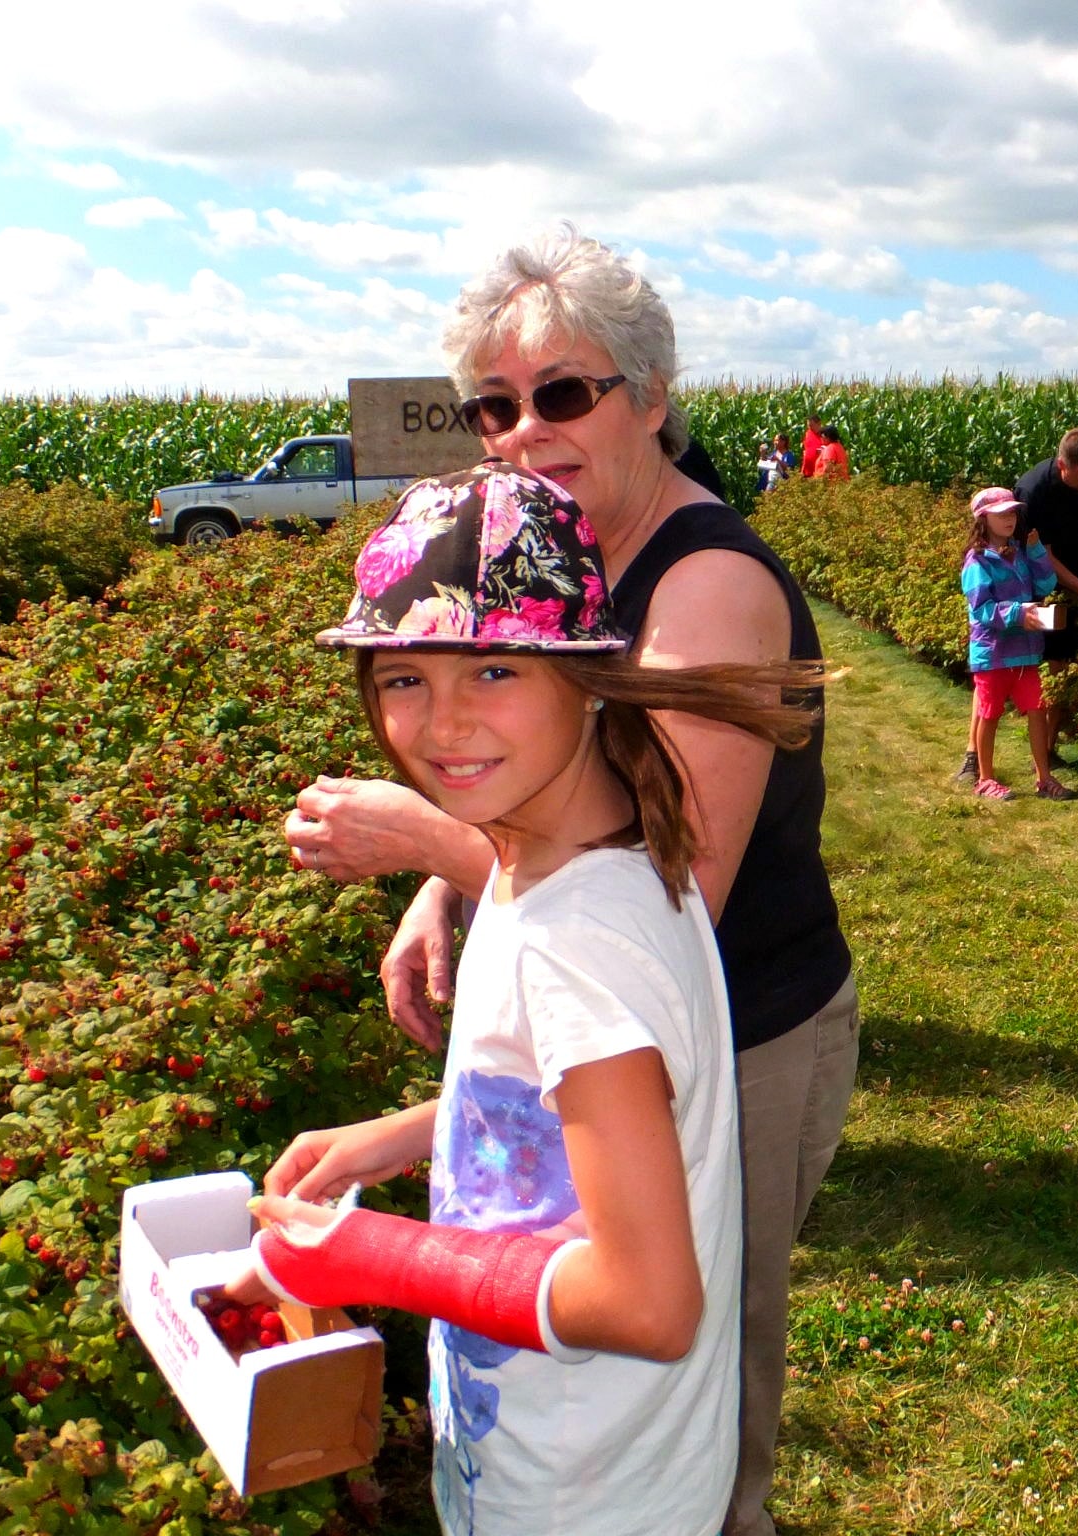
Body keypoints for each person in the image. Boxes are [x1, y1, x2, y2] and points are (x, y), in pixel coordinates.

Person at [283, 228, 858, 1536]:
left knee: (706, 1406)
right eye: (494, 406)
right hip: (608, 1060)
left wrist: (422, 839)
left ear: (652, 397)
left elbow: (669, 885)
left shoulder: (707, 583)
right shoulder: (559, 571)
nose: (522, 429)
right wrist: (453, 890)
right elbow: (557, 808)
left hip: (742, 1034)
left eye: (564, 393)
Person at [956, 427, 1078, 785]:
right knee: (995, 665)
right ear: (1062, 465)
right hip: (1028, 582)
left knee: (1060, 662)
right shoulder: (1033, 490)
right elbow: (1039, 553)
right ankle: (973, 755)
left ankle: (1045, 752)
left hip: (1063, 581)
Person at [960, 486, 1061, 801]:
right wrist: (1020, 613)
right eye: (1001, 514)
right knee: (989, 714)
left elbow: (1046, 584)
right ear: (983, 518)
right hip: (993, 654)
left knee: (1036, 709)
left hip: (1025, 653)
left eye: (1013, 513)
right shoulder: (977, 561)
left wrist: (1036, 553)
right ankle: (985, 779)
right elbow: (982, 609)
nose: (1009, 519)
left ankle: (1044, 778)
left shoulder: (1019, 553)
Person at [799, 414, 826, 479]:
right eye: (808, 426)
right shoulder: (808, 433)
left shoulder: (826, 435)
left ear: (819, 424)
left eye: (811, 425)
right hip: (807, 470)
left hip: (819, 471)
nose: (810, 428)